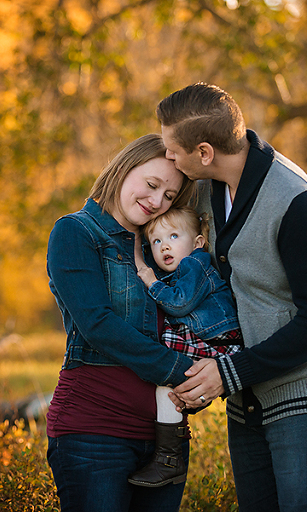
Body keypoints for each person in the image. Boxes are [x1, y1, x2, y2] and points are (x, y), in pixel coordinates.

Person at [157, 83, 307, 512]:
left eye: (173, 150)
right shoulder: (208, 189)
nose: (169, 159)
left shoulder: (297, 203)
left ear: (205, 151)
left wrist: (228, 372)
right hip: (248, 394)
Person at [46, 133, 198, 512]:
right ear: (123, 167)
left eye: (169, 196)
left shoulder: (162, 246)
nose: (156, 201)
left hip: (167, 442)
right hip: (95, 433)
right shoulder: (76, 232)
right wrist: (185, 371)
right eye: (152, 184)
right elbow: (98, 325)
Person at [127, 206, 243, 488]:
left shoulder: (196, 263)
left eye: (174, 236)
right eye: (156, 241)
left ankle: (170, 458)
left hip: (219, 342)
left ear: (198, 243)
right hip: (208, 340)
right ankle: (169, 455)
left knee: (165, 373)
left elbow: (180, 304)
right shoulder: (182, 265)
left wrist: (151, 281)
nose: (164, 245)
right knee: (169, 385)